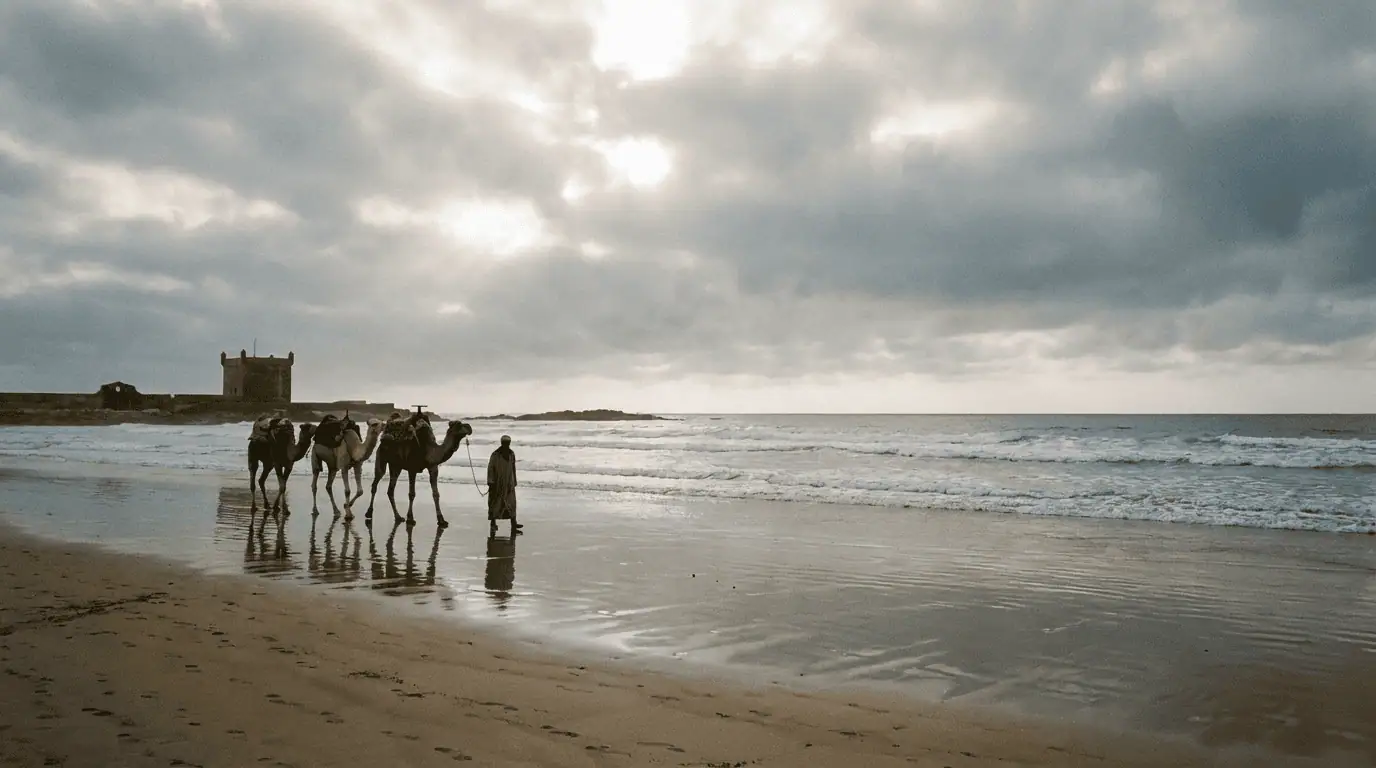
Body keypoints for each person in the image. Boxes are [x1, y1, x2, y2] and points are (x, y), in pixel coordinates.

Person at [487, 435, 522, 535]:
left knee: (512, 504)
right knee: (495, 504)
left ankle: (514, 524)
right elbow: (490, 468)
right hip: (497, 483)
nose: (507, 445)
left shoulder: (511, 454)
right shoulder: (495, 455)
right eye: (505, 443)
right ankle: (493, 524)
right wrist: (490, 481)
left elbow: (513, 468)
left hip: (508, 484)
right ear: (502, 443)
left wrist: (514, 480)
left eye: (508, 443)